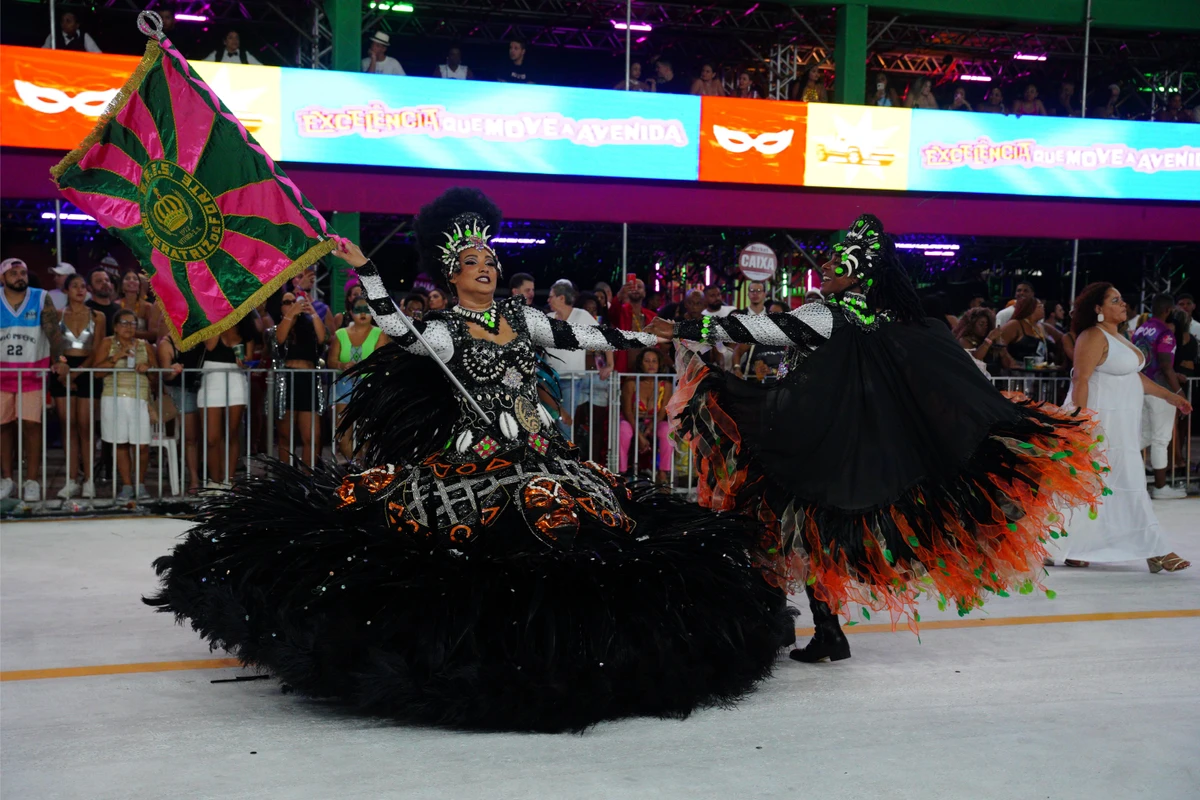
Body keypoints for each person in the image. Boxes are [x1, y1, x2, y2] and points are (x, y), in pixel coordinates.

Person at [145, 187, 793, 732]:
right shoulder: (444, 329)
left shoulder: (522, 317)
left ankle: (586, 651)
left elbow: (598, 335)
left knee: (584, 538)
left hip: (543, 453)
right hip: (472, 460)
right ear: (451, 275)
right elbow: (396, 329)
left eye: (490, 258)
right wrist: (366, 267)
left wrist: (686, 330)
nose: (485, 266)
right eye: (471, 261)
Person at [655, 214, 1106, 663]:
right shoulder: (889, 321)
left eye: (837, 261)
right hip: (843, 447)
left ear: (858, 274)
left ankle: (781, 623)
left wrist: (679, 329)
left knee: (778, 528)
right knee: (807, 535)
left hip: (804, 442)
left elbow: (756, 329)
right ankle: (821, 630)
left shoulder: (826, 314)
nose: (825, 266)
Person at [1056, 283, 1191, 572]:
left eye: (1121, 299)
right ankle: (1156, 550)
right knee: (1112, 484)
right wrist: (1080, 422)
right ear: (1098, 308)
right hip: (1100, 425)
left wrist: (1170, 396)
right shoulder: (1092, 336)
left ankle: (1078, 547)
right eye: (1115, 301)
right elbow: (1080, 379)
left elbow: (1134, 377)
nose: (1123, 305)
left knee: (1106, 486)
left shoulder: (1119, 336)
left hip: (1121, 427)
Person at [1, 258, 66, 501]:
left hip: (32, 373)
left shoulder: (40, 297)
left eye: (23, 273)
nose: (20, 277)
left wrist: (60, 358)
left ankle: (32, 480)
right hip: (2, 374)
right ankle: (7, 479)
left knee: (31, 425)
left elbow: (53, 331)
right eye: (14, 273)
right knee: (3, 426)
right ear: (3, 278)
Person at [92, 309, 158, 501]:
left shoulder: (145, 345)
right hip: (113, 398)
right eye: (124, 323)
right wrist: (116, 356)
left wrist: (148, 368)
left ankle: (141, 485)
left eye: (133, 323)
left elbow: (156, 375)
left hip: (139, 398)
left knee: (142, 445)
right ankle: (127, 486)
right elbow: (97, 372)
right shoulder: (107, 343)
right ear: (115, 327)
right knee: (120, 443)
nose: (129, 327)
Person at [52, 273, 106, 499]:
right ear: (66, 290)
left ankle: (89, 479)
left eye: (83, 286)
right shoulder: (57, 315)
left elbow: (97, 349)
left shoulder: (98, 316)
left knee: (85, 426)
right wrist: (64, 367)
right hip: (63, 369)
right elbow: (55, 347)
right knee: (68, 425)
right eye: (75, 286)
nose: (80, 289)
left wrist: (77, 373)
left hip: (87, 370)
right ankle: (71, 479)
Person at [1132, 294, 1187, 499]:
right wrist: (1178, 392)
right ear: (1168, 310)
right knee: (1161, 439)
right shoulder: (1165, 332)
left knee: (1143, 437)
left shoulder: (1140, 329)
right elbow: (1165, 365)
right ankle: (1161, 487)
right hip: (1161, 391)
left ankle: (1127, 477)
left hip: (1141, 388)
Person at [198, 315, 257, 488]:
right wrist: (218, 321)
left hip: (236, 380)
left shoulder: (246, 331)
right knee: (212, 438)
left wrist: (244, 362)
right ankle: (214, 481)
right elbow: (210, 345)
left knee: (232, 433)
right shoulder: (212, 323)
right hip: (211, 379)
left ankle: (228, 481)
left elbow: (249, 359)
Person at [329, 297, 387, 461]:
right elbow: (331, 360)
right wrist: (342, 365)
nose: (363, 313)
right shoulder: (340, 334)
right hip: (344, 386)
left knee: (367, 432)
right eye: (358, 309)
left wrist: (363, 367)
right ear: (350, 312)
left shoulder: (379, 333)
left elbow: (381, 359)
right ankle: (356, 465)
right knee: (342, 434)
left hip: (370, 386)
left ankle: (364, 467)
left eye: (367, 310)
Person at [272, 293, 324, 467]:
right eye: (287, 302)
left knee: (312, 437)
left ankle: (308, 477)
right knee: (286, 436)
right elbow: (279, 339)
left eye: (295, 302)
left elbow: (323, 338)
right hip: (287, 381)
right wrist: (291, 314)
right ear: (280, 307)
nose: (293, 304)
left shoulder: (309, 326)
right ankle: (286, 477)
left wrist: (313, 313)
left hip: (308, 381)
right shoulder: (277, 328)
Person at [158, 332, 205, 495]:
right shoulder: (167, 343)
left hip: (206, 386)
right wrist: (172, 371)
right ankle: (194, 478)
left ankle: (207, 474)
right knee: (191, 437)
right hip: (182, 389)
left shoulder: (204, 336)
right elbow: (166, 375)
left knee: (206, 435)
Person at [619, 348, 672, 485]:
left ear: (659, 364)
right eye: (647, 361)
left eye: (654, 361)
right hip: (632, 420)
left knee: (667, 430)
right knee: (623, 429)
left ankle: (663, 473)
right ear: (640, 364)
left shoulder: (666, 385)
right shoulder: (631, 382)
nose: (651, 364)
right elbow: (627, 411)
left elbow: (662, 412)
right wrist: (640, 435)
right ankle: (622, 473)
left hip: (654, 421)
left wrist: (649, 428)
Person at [607, 277, 656, 372]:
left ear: (644, 293)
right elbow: (612, 313)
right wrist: (620, 295)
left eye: (639, 287)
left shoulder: (652, 316)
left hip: (646, 368)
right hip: (625, 366)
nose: (636, 289)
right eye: (632, 287)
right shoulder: (621, 312)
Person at [953, 306, 1011, 375]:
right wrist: (989, 339)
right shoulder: (964, 340)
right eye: (981, 324)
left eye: (987, 325)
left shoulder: (993, 341)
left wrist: (1001, 348)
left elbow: (1007, 365)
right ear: (971, 325)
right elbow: (975, 360)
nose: (984, 327)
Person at [998, 296, 1048, 368]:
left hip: (1039, 369)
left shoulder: (1040, 326)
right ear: (1031, 309)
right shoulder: (1015, 324)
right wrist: (1010, 361)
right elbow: (999, 342)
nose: (1043, 308)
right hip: (1018, 370)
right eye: (1040, 306)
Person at [116, 269, 155, 343]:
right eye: (127, 278)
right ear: (122, 286)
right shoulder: (116, 305)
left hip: (140, 345)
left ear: (139, 286)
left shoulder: (147, 306)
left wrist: (132, 333)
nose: (131, 281)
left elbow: (153, 334)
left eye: (135, 279)